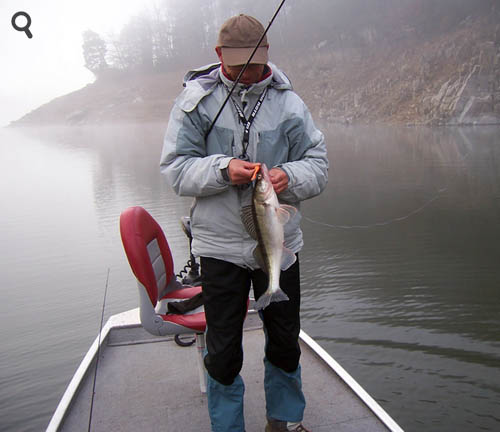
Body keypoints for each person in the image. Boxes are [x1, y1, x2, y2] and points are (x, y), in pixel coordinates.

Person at [160, 14, 328, 432]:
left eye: (256, 65)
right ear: (219, 56)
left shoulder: (290, 103)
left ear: (268, 55)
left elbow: (318, 165)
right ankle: (228, 427)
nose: (249, 75)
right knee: (223, 351)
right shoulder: (195, 103)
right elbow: (175, 170)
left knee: (286, 342)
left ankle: (284, 421)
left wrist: (290, 176)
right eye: (239, 66)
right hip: (218, 249)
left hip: (279, 246)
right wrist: (222, 169)